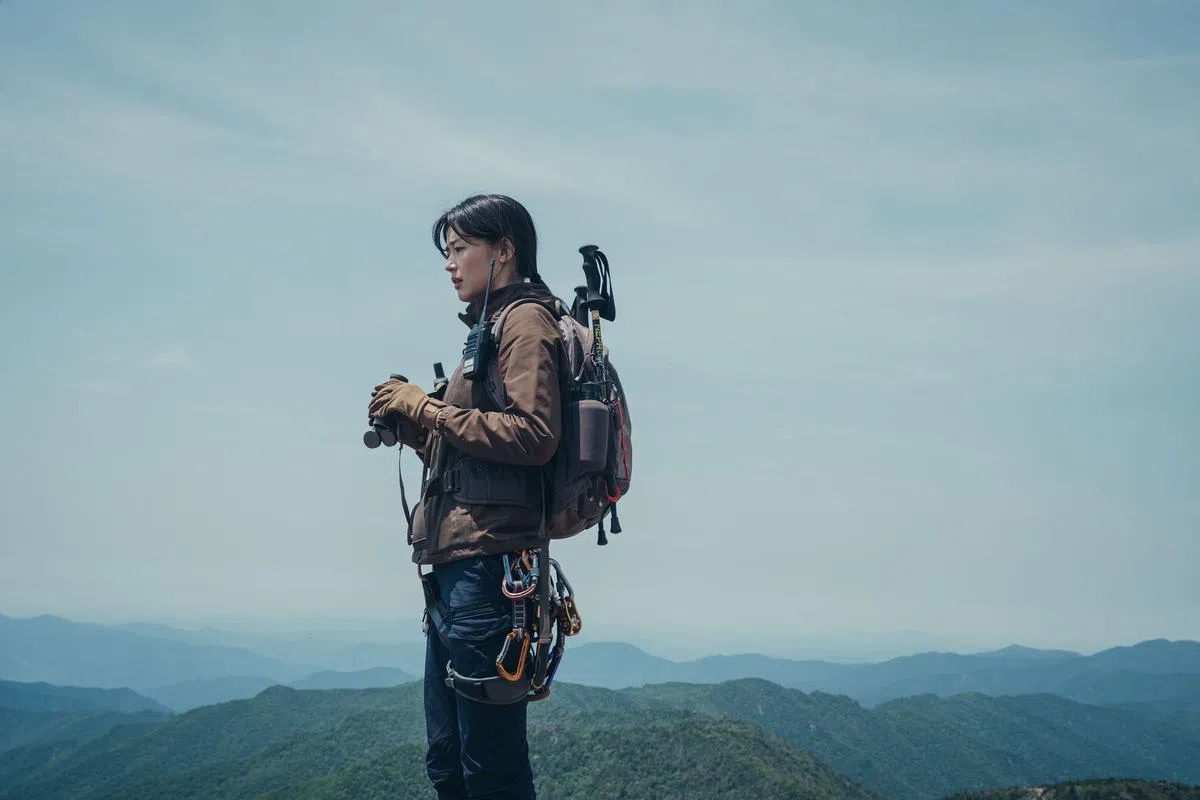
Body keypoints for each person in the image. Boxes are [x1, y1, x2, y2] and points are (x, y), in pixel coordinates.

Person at [367, 193, 564, 800]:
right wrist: (421, 430)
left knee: (491, 770)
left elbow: (534, 436)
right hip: (460, 572)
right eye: (446, 253)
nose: (450, 265)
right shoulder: (487, 328)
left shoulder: (525, 321)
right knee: (448, 759)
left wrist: (426, 408)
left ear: (503, 250)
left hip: (491, 572)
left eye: (459, 250)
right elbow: (482, 458)